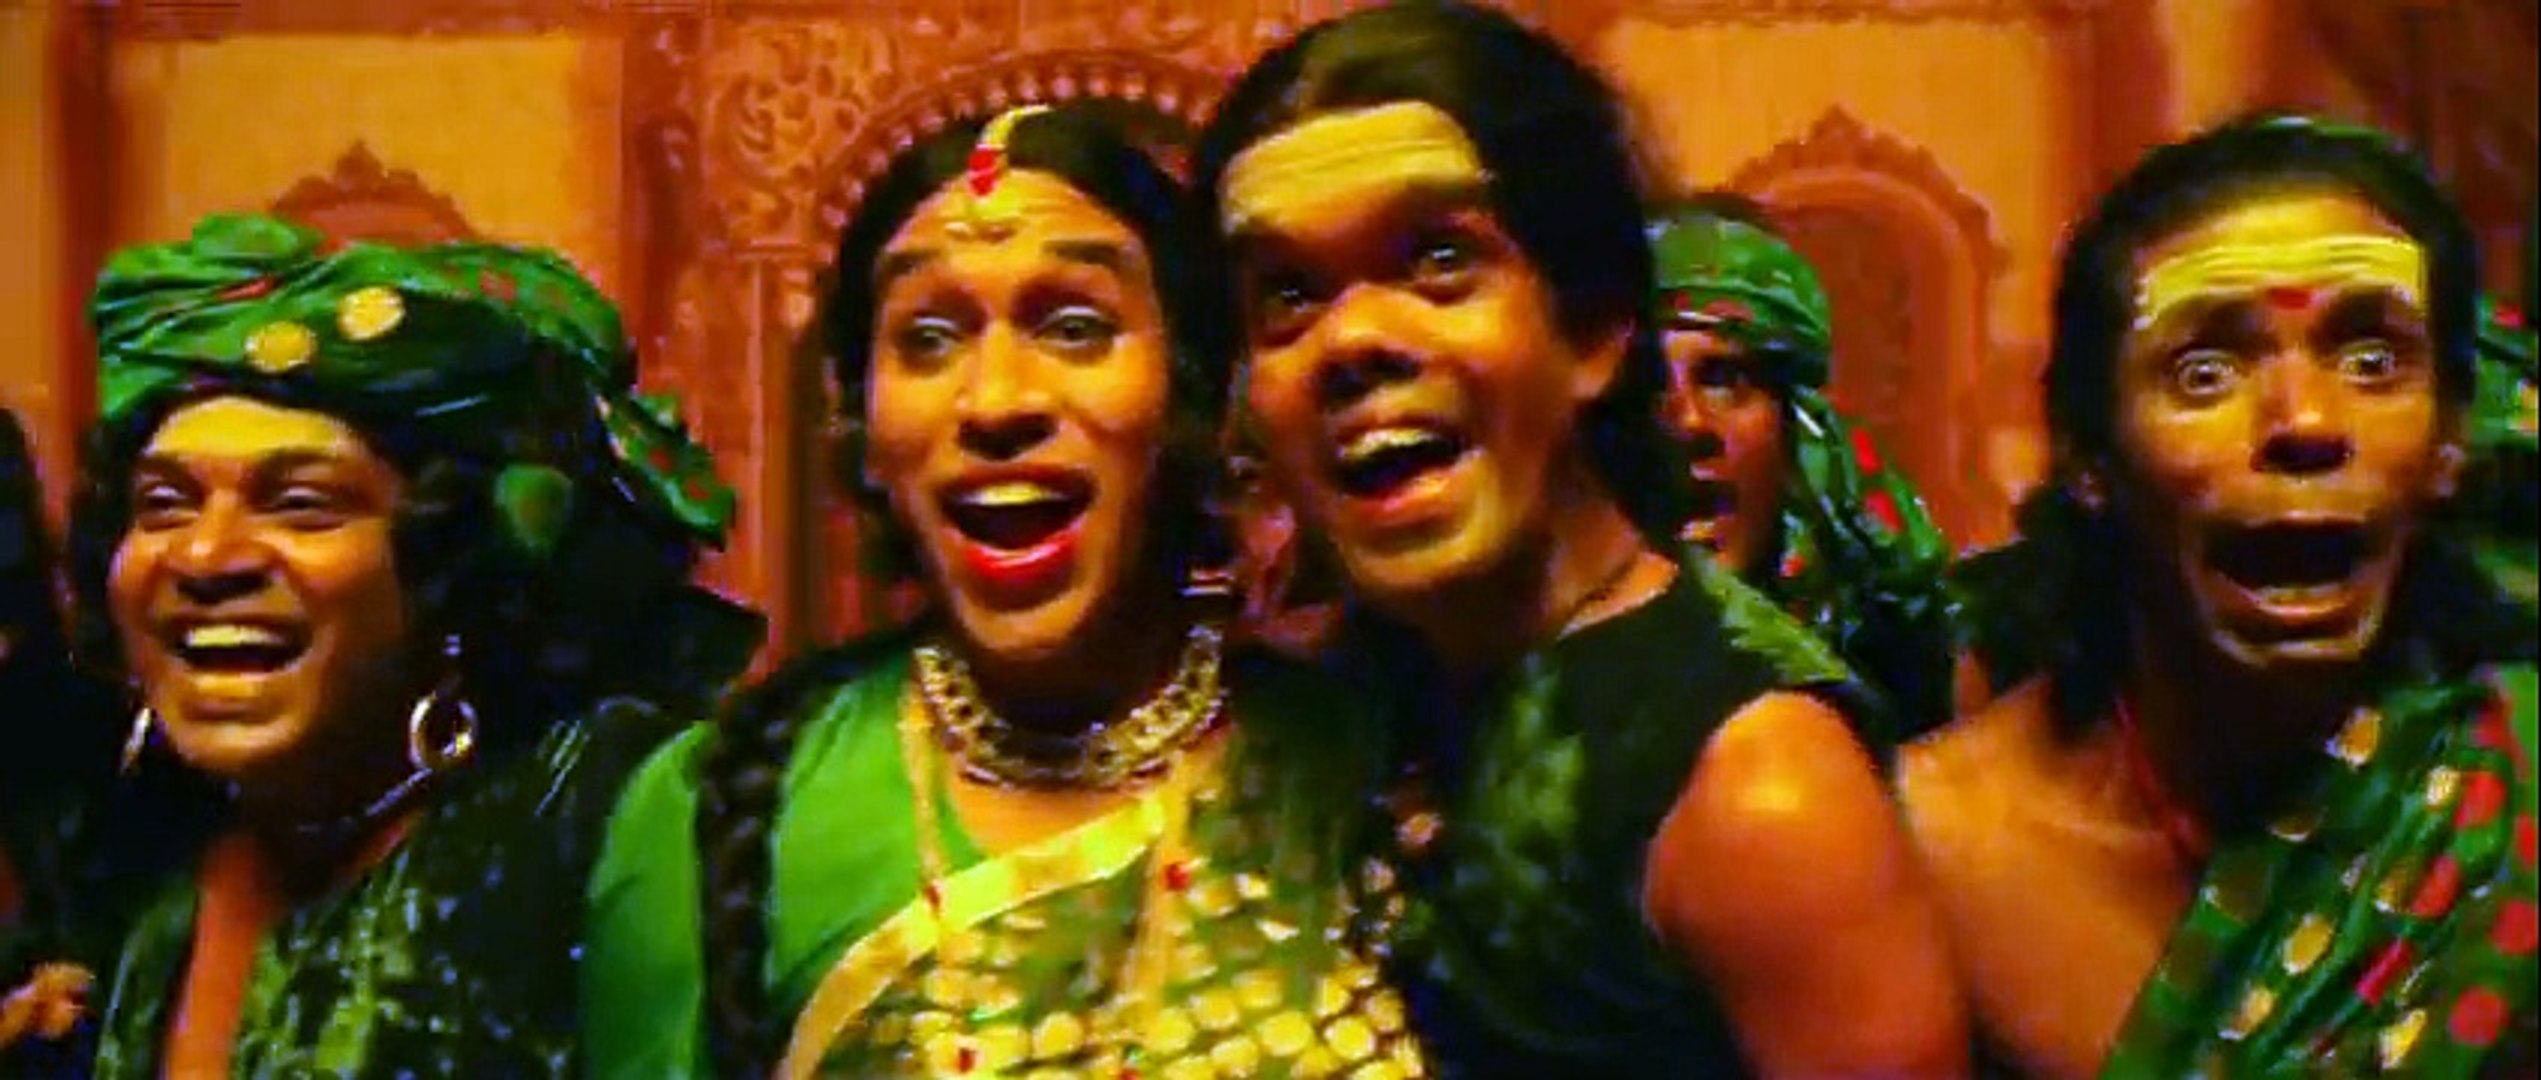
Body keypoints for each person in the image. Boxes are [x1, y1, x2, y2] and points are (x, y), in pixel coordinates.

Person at [1190, 3, 1967, 1075]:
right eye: (1287, 295)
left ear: (1594, 328)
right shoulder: (1331, 707)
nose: (1354, 339)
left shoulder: (1754, 789)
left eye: (1439, 261)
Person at [581, 104, 1420, 1079]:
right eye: (928, 338)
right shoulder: (715, 810)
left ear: (1194, 397)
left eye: (1075, 327)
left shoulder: (1378, 767)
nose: (996, 401)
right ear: (864, 429)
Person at [48, 213, 761, 1077]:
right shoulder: (129, 855)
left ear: (446, 563)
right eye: (164, 504)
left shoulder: (613, 812)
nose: (204, 556)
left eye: (301, 505)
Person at [1900, 114, 2538, 1078]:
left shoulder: (2509, 804)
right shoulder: (1934, 847)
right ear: (2087, 456)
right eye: (2204, 373)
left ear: (2449, 439)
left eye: (2372, 362)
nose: (2305, 422)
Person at [1647, 194, 1966, 734]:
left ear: (1798, 425)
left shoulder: (1895, 657)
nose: (1688, 422)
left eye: (1726, 380)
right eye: (1649, 385)